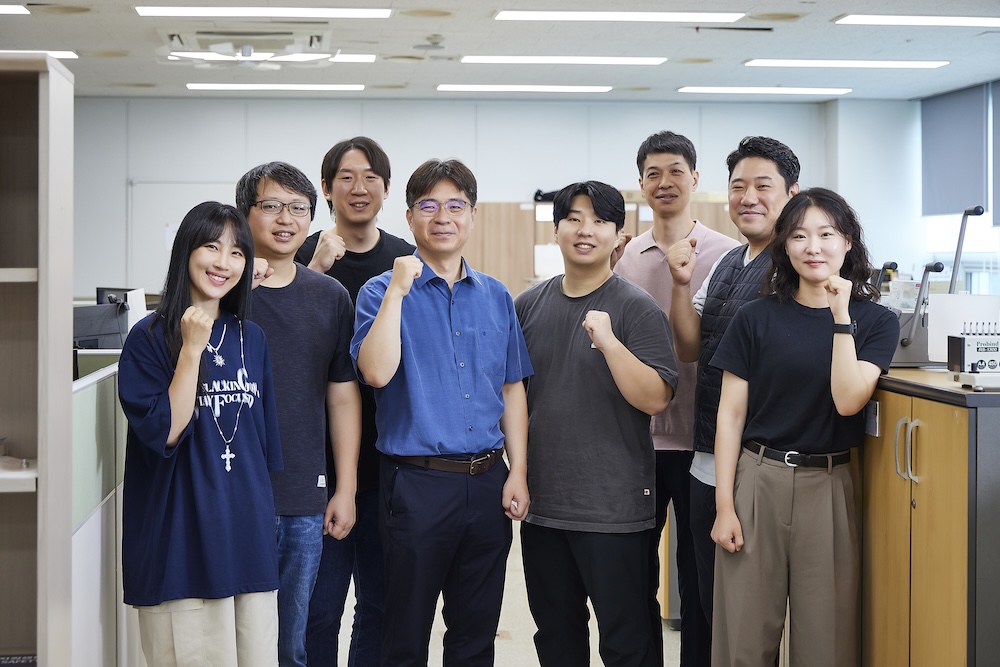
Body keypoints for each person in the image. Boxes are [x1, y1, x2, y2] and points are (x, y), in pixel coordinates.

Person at [351, 158, 532, 667]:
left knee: (476, 632)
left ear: (473, 215)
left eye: (456, 205)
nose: (443, 217)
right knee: (405, 632)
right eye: (428, 206)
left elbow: (512, 387)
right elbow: (375, 373)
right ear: (409, 217)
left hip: (488, 480)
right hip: (417, 485)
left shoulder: (496, 295)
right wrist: (397, 290)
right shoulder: (379, 291)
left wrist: (518, 470)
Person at [710, 188, 899, 666]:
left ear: (848, 241)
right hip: (758, 481)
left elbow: (848, 400)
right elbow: (730, 416)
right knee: (743, 640)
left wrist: (840, 318)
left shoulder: (877, 321)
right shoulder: (755, 317)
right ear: (785, 246)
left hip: (830, 485)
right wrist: (724, 506)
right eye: (799, 236)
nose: (813, 247)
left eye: (826, 234)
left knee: (826, 642)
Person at [515, 181, 679, 667]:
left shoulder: (636, 308)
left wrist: (609, 344)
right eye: (574, 219)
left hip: (614, 510)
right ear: (556, 228)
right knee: (556, 636)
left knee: (627, 641)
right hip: (544, 507)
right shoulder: (527, 306)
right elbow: (513, 399)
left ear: (618, 235)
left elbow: (656, 399)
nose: (585, 230)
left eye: (600, 220)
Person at [118, 201, 282, 667]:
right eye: (211, 247)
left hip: (246, 544)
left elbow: (260, 451)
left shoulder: (253, 338)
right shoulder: (148, 338)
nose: (223, 262)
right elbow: (167, 431)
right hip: (181, 547)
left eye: (237, 252)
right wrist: (191, 350)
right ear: (186, 252)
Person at [666, 136, 800, 639]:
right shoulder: (728, 261)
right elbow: (689, 347)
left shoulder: (795, 267)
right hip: (707, 459)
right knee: (707, 605)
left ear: (791, 193)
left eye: (763, 186)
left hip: (757, 465)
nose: (748, 197)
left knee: (743, 616)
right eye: (738, 186)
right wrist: (681, 284)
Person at [613, 131, 739, 666]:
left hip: (702, 442)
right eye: (653, 174)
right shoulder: (626, 257)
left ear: (695, 178)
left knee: (699, 579)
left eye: (675, 171)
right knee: (634, 574)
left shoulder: (728, 255)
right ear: (641, 184)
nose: (664, 182)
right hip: (638, 441)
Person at [236, 162, 362, 667]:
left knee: (292, 644)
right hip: (232, 496)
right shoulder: (222, 291)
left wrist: (345, 488)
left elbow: (342, 397)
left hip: (304, 499)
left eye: (298, 208)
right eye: (271, 206)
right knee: (234, 640)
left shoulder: (329, 296)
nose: (285, 219)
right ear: (245, 214)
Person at [297, 137, 415, 667]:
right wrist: (315, 267)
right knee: (318, 610)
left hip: (393, 461)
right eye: (346, 177)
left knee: (382, 607)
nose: (359, 187)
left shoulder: (407, 261)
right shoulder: (300, 257)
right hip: (317, 462)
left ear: (387, 189)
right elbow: (273, 339)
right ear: (326, 188)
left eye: (370, 177)